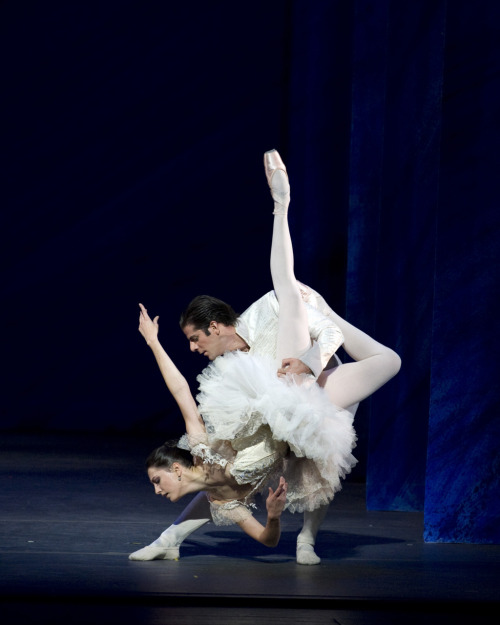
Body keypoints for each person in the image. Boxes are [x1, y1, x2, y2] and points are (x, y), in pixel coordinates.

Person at [130, 150, 401, 563]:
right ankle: (170, 540)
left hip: (307, 376)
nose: (194, 349)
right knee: (373, 365)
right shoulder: (222, 391)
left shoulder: (263, 313)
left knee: (294, 296)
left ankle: (281, 206)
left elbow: (324, 333)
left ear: (216, 326)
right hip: (288, 401)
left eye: (195, 339)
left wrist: (310, 358)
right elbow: (228, 495)